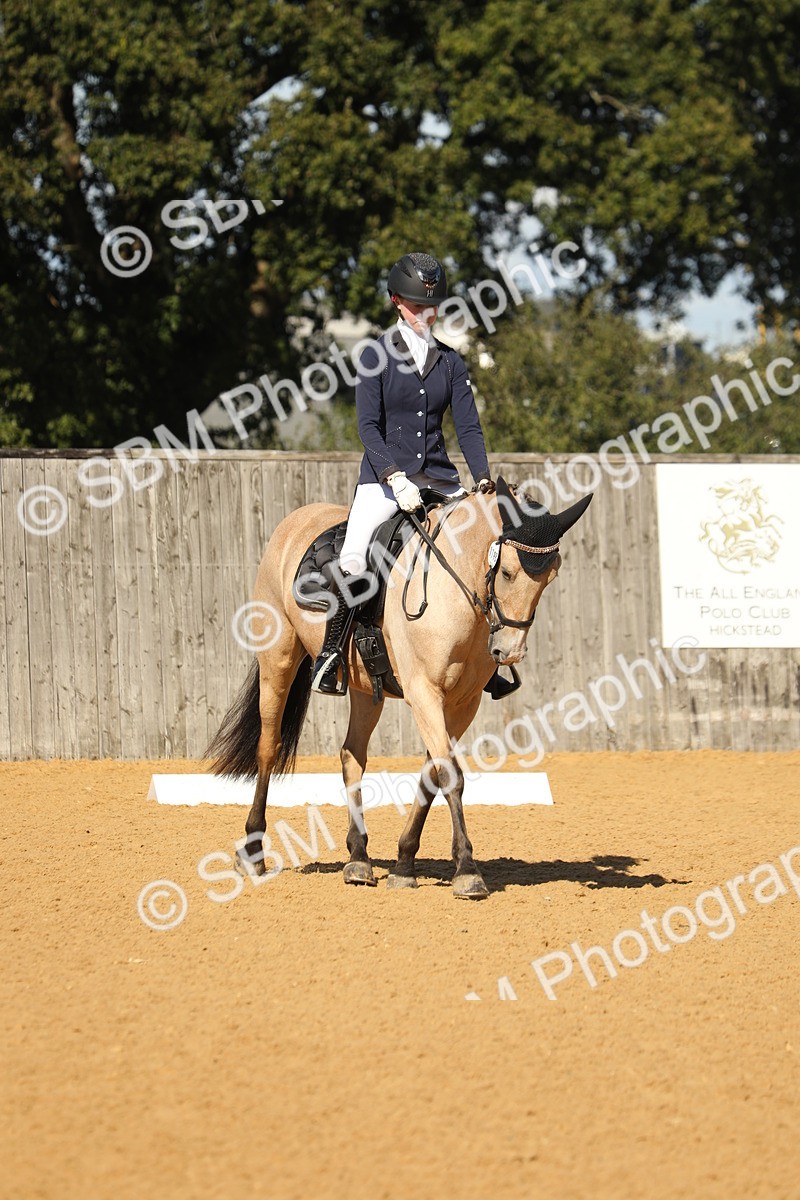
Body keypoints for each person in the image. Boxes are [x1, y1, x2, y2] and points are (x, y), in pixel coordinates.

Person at [311, 251, 494, 694]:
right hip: (384, 480)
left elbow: (468, 427)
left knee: (486, 548)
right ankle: (331, 656)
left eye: (432, 307)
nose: (425, 314)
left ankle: (490, 658)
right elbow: (367, 428)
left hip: (440, 479)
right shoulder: (374, 355)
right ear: (396, 301)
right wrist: (394, 476)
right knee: (354, 555)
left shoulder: (450, 362)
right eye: (416, 306)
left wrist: (483, 479)